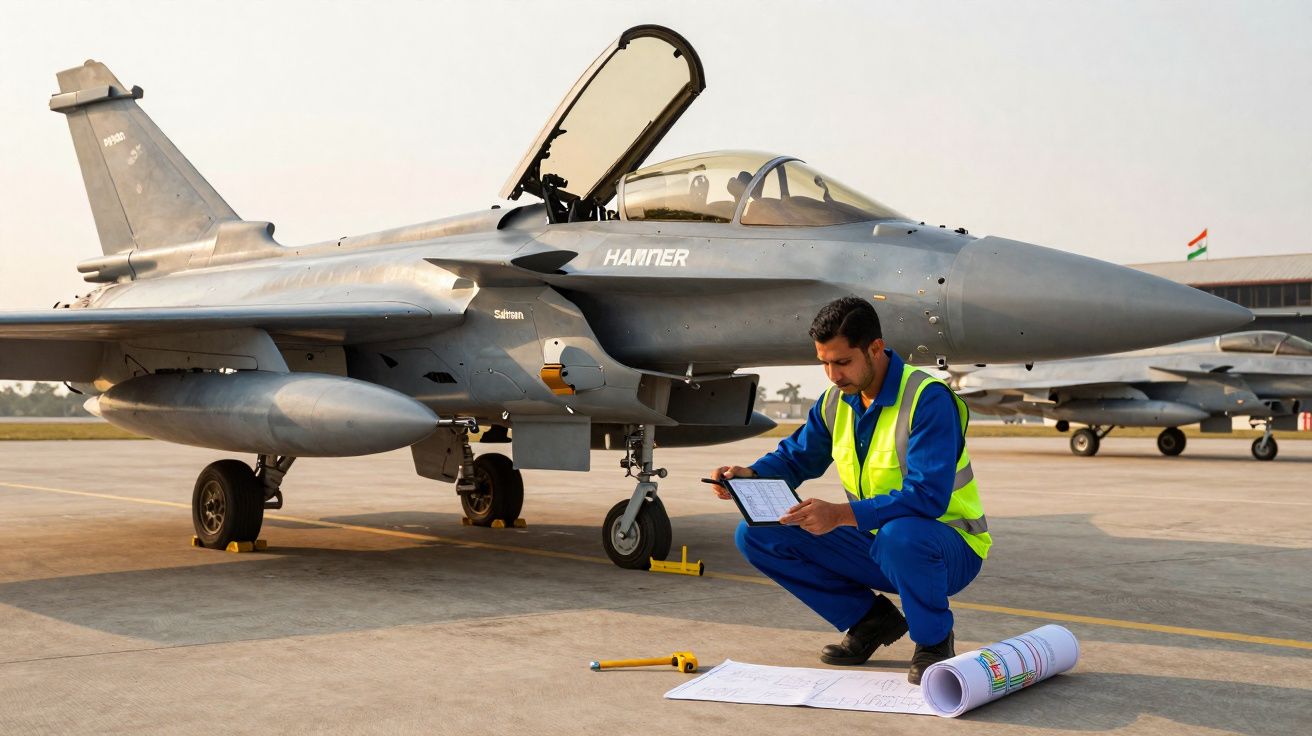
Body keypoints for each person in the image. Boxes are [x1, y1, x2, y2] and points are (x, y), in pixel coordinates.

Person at [710, 296, 990, 684]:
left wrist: (839, 514)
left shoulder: (927, 400)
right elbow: (796, 458)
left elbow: (927, 495)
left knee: (901, 535)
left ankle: (934, 640)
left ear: (875, 348)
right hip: (877, 540)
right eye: (824, 362)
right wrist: (750, 476)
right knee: (758, 533)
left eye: (842, 362)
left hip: (947, 548)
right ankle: (870, 621)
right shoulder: (836, 401)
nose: (832, 374)